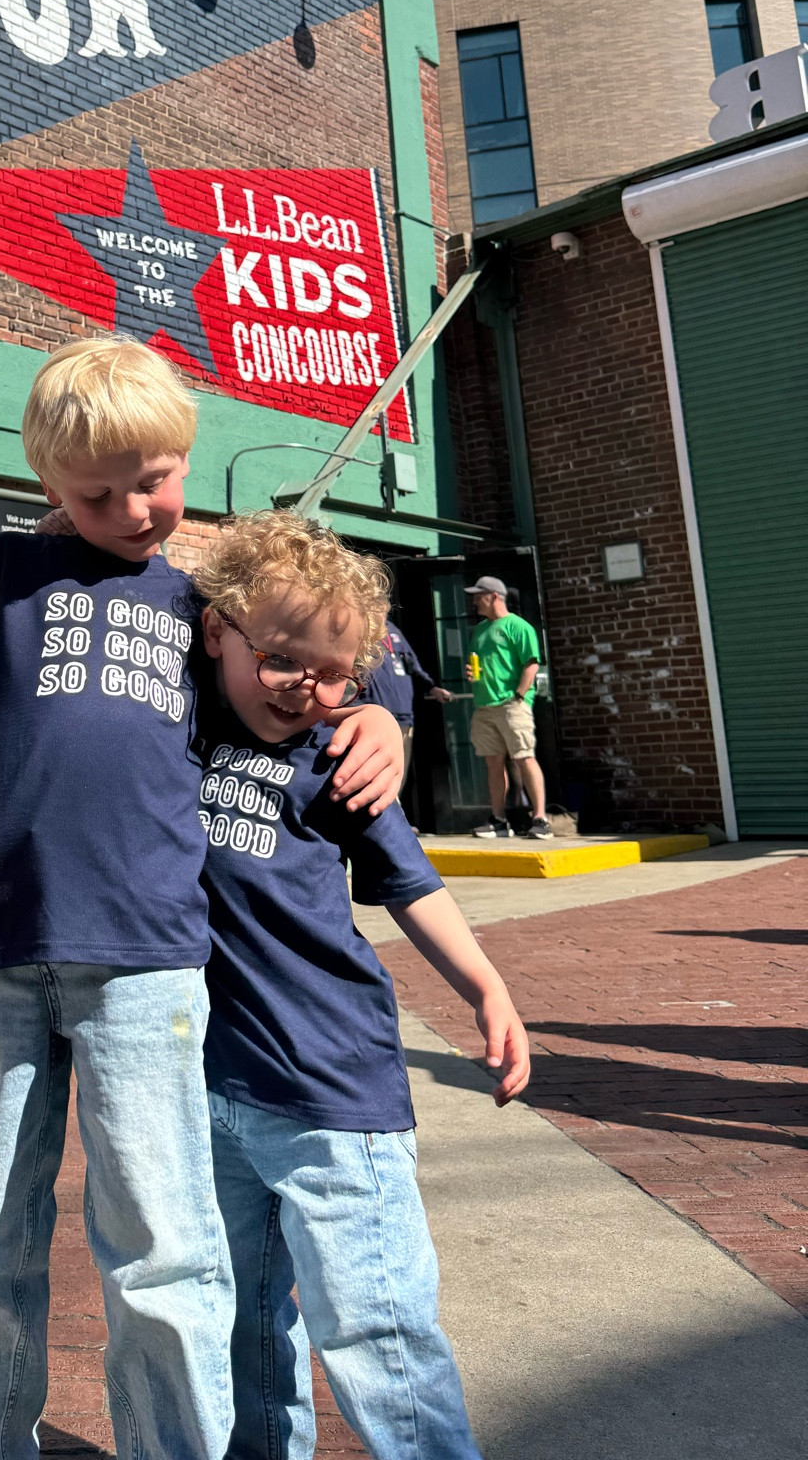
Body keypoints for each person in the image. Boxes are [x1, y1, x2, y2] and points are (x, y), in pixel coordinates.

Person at [0, 338, 406, 1460]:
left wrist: (383, 711)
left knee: (165, 1238)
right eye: (98, 490)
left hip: (148, 954)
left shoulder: (206, 597)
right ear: (47, 484)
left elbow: (327, 641)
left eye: (158, 476)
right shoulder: (2, 575)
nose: (134, 506)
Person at [194, 511, 529, 1460]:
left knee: (376, 1332)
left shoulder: (338, 758)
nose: (308, 687)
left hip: (333, 1092)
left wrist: (485, 988)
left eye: (336, 672)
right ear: (217, 632)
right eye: (282, 658)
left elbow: (410, 883)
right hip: (209, 1088)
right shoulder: (177, 723)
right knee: (243, 1328)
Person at [464, 577, 551, 841]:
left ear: (494, 596)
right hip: (484, 705)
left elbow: (532, 664)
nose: (475, 600)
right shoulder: (479, 630)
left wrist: (519, 695)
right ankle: (499, 821)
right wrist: (473, 674)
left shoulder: (518, 627)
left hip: (512, 705)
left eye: (479, 595)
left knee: (524, 757)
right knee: (493, 763)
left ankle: (540, 819)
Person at [360, 615, 453, 805]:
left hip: (402, 710)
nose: (381, 610)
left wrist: (431, 687)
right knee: (376, 764)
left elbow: (413, 664)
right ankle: (384, 814)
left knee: (398, 765)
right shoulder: (358, 626)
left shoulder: (393, 630)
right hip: (375, 710)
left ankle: (394, 812)